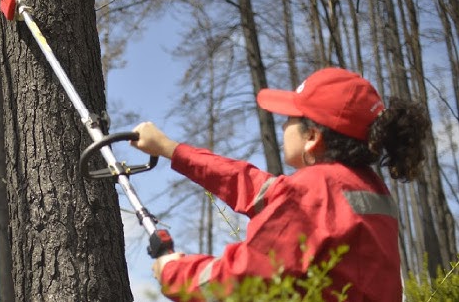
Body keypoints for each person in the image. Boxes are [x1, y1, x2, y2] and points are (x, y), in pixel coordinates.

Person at [129, 67, 430, 302]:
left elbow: (243, 282)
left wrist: (174, 271)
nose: (284, 125)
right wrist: (170, 148)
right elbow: (249, 184)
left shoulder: (314, 191)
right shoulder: (359, 186)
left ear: (312, 136)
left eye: (290, 118)